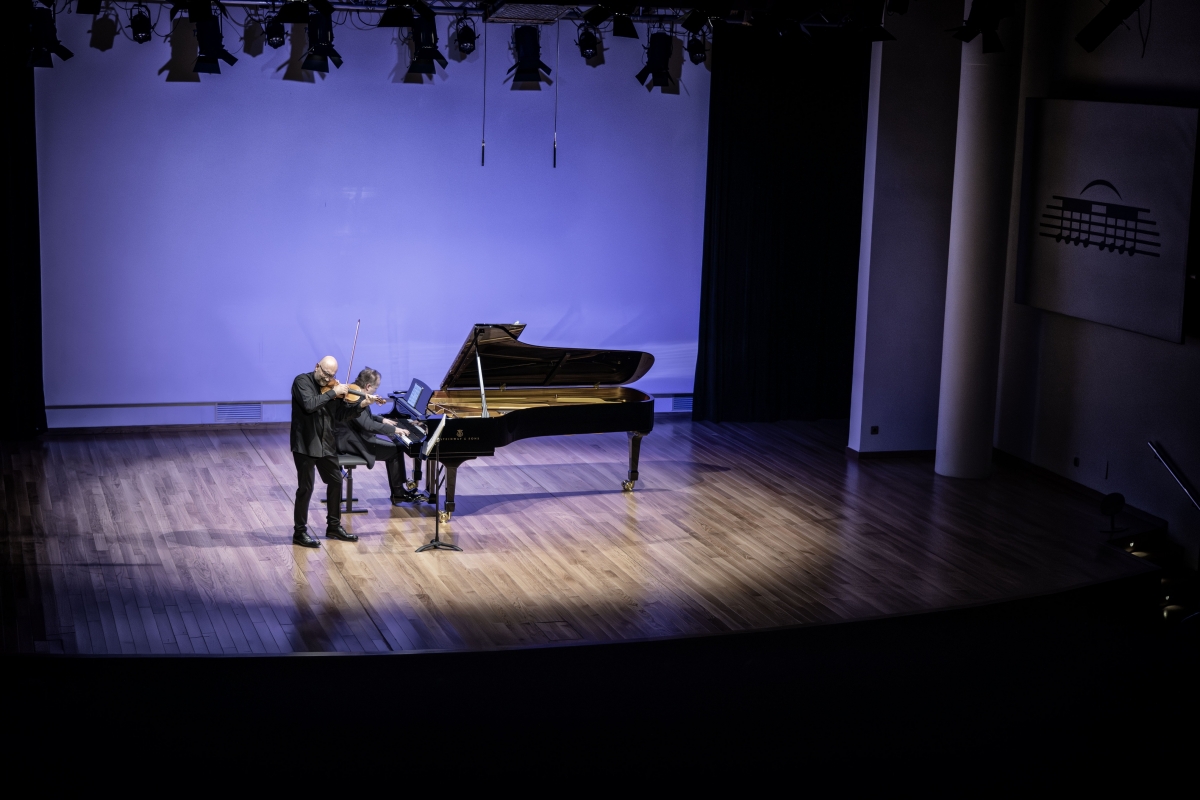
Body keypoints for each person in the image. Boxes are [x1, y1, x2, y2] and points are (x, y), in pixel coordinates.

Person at [291, 356, 360, 547]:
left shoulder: (332, 388)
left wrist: (361, 405)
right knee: (306, 488)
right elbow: (309, 405)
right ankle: (299, 532)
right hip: (305, 444)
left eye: (332, 375)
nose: (327, 378)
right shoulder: (301, 381)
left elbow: (340, 415)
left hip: (326, 444)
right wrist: (333, 392)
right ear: (317, 367)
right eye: (325, 373)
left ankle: (333, 526)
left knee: (336, 481)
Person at [335, 367, 418, 506]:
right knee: (395, 450)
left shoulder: (355, 393)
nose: (376, 391)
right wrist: (394, 430)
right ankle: (398, 493)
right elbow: (368, 425)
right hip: (351, 442)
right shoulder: (356, 398)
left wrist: (382, 420)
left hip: (350, 437)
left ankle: (400, 490)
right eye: (375, 387)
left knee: (395, 447)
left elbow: (364, 417)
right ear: (368, 386)